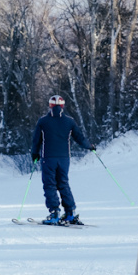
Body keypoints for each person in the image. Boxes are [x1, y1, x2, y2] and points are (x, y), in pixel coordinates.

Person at [31, 95, 95, 225]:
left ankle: (54, 213)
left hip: (48, 158)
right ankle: (70, 212)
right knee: (63, 183)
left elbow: (36, 140)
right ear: (63, 106)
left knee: (50, 184)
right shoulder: (69, 121)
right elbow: (79, 138)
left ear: (50, 106)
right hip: (64, 159)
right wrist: (90, 146)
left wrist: (35, 154)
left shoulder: (43, 121)